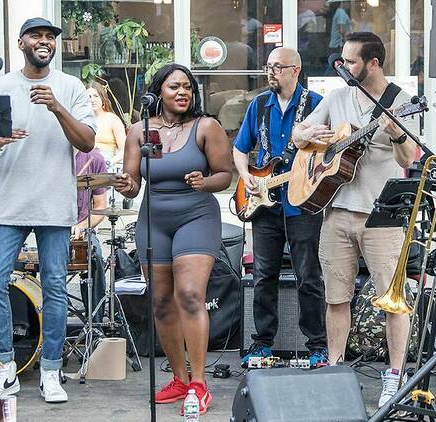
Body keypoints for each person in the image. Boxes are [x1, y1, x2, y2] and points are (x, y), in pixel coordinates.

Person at [0, 17, 95, 404]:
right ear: (21, 43)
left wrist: (57, 107)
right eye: (37, 35)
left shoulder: (70, 86)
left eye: (50, 37)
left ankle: (51, 370)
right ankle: (3, 369)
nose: (44, 41)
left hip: (53, 205)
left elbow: (86, 143)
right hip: (7, 205)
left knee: (54, 287)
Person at [292, 32, 418, 407]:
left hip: (382, 216)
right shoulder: (336, 97)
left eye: (351, 61)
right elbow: (299, 134)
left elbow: (408, 160)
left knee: (392, 301)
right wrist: (305, 134)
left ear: (373, 62)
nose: (343, 67)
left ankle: (394, 375)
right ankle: (335, 369)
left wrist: (397, 136)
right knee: (336, 298)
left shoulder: (402, 102)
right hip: (336, 213)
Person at [114, 63, 233, 415]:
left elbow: (226, 175)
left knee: (191, 295)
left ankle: (199, 382)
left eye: (188, 87)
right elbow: (134, 183)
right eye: (174, 87)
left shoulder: (206, 127)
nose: (183, 93)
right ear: (158, 93)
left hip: (196, 215)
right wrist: (126, 185)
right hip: (153, 218)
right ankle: (179, 379)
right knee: (162, 301)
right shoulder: (139, 130)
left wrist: (204, 182)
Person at [233, 47, 328, 369]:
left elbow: (330, 149)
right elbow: (240, 148)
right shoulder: (259, 105)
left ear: (295, 70)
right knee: (263, 276)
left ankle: (318, 346)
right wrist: (247, 177)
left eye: (277, 67)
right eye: (269, 66)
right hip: (263, 203)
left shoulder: (317, 105)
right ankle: (261, 344)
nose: (270, 72)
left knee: (309, 277)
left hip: (303, 203)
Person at [74, 147, 108, 322]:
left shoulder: (94, 158)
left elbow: (100, 207)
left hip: (83, 230)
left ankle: (95, 325)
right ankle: (29, 327)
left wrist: (81, 225)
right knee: (21, 263)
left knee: (95, 256)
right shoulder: (46, 154)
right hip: (49, 229)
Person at [87, 81, 126, 166]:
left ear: (102, 98)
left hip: (108, 165)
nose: (92, 100)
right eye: (89, 97)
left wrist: (109, 162)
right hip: (86, 165)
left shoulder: (113, 119)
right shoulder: (82, 120)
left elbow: (124, 149)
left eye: (96, 96)